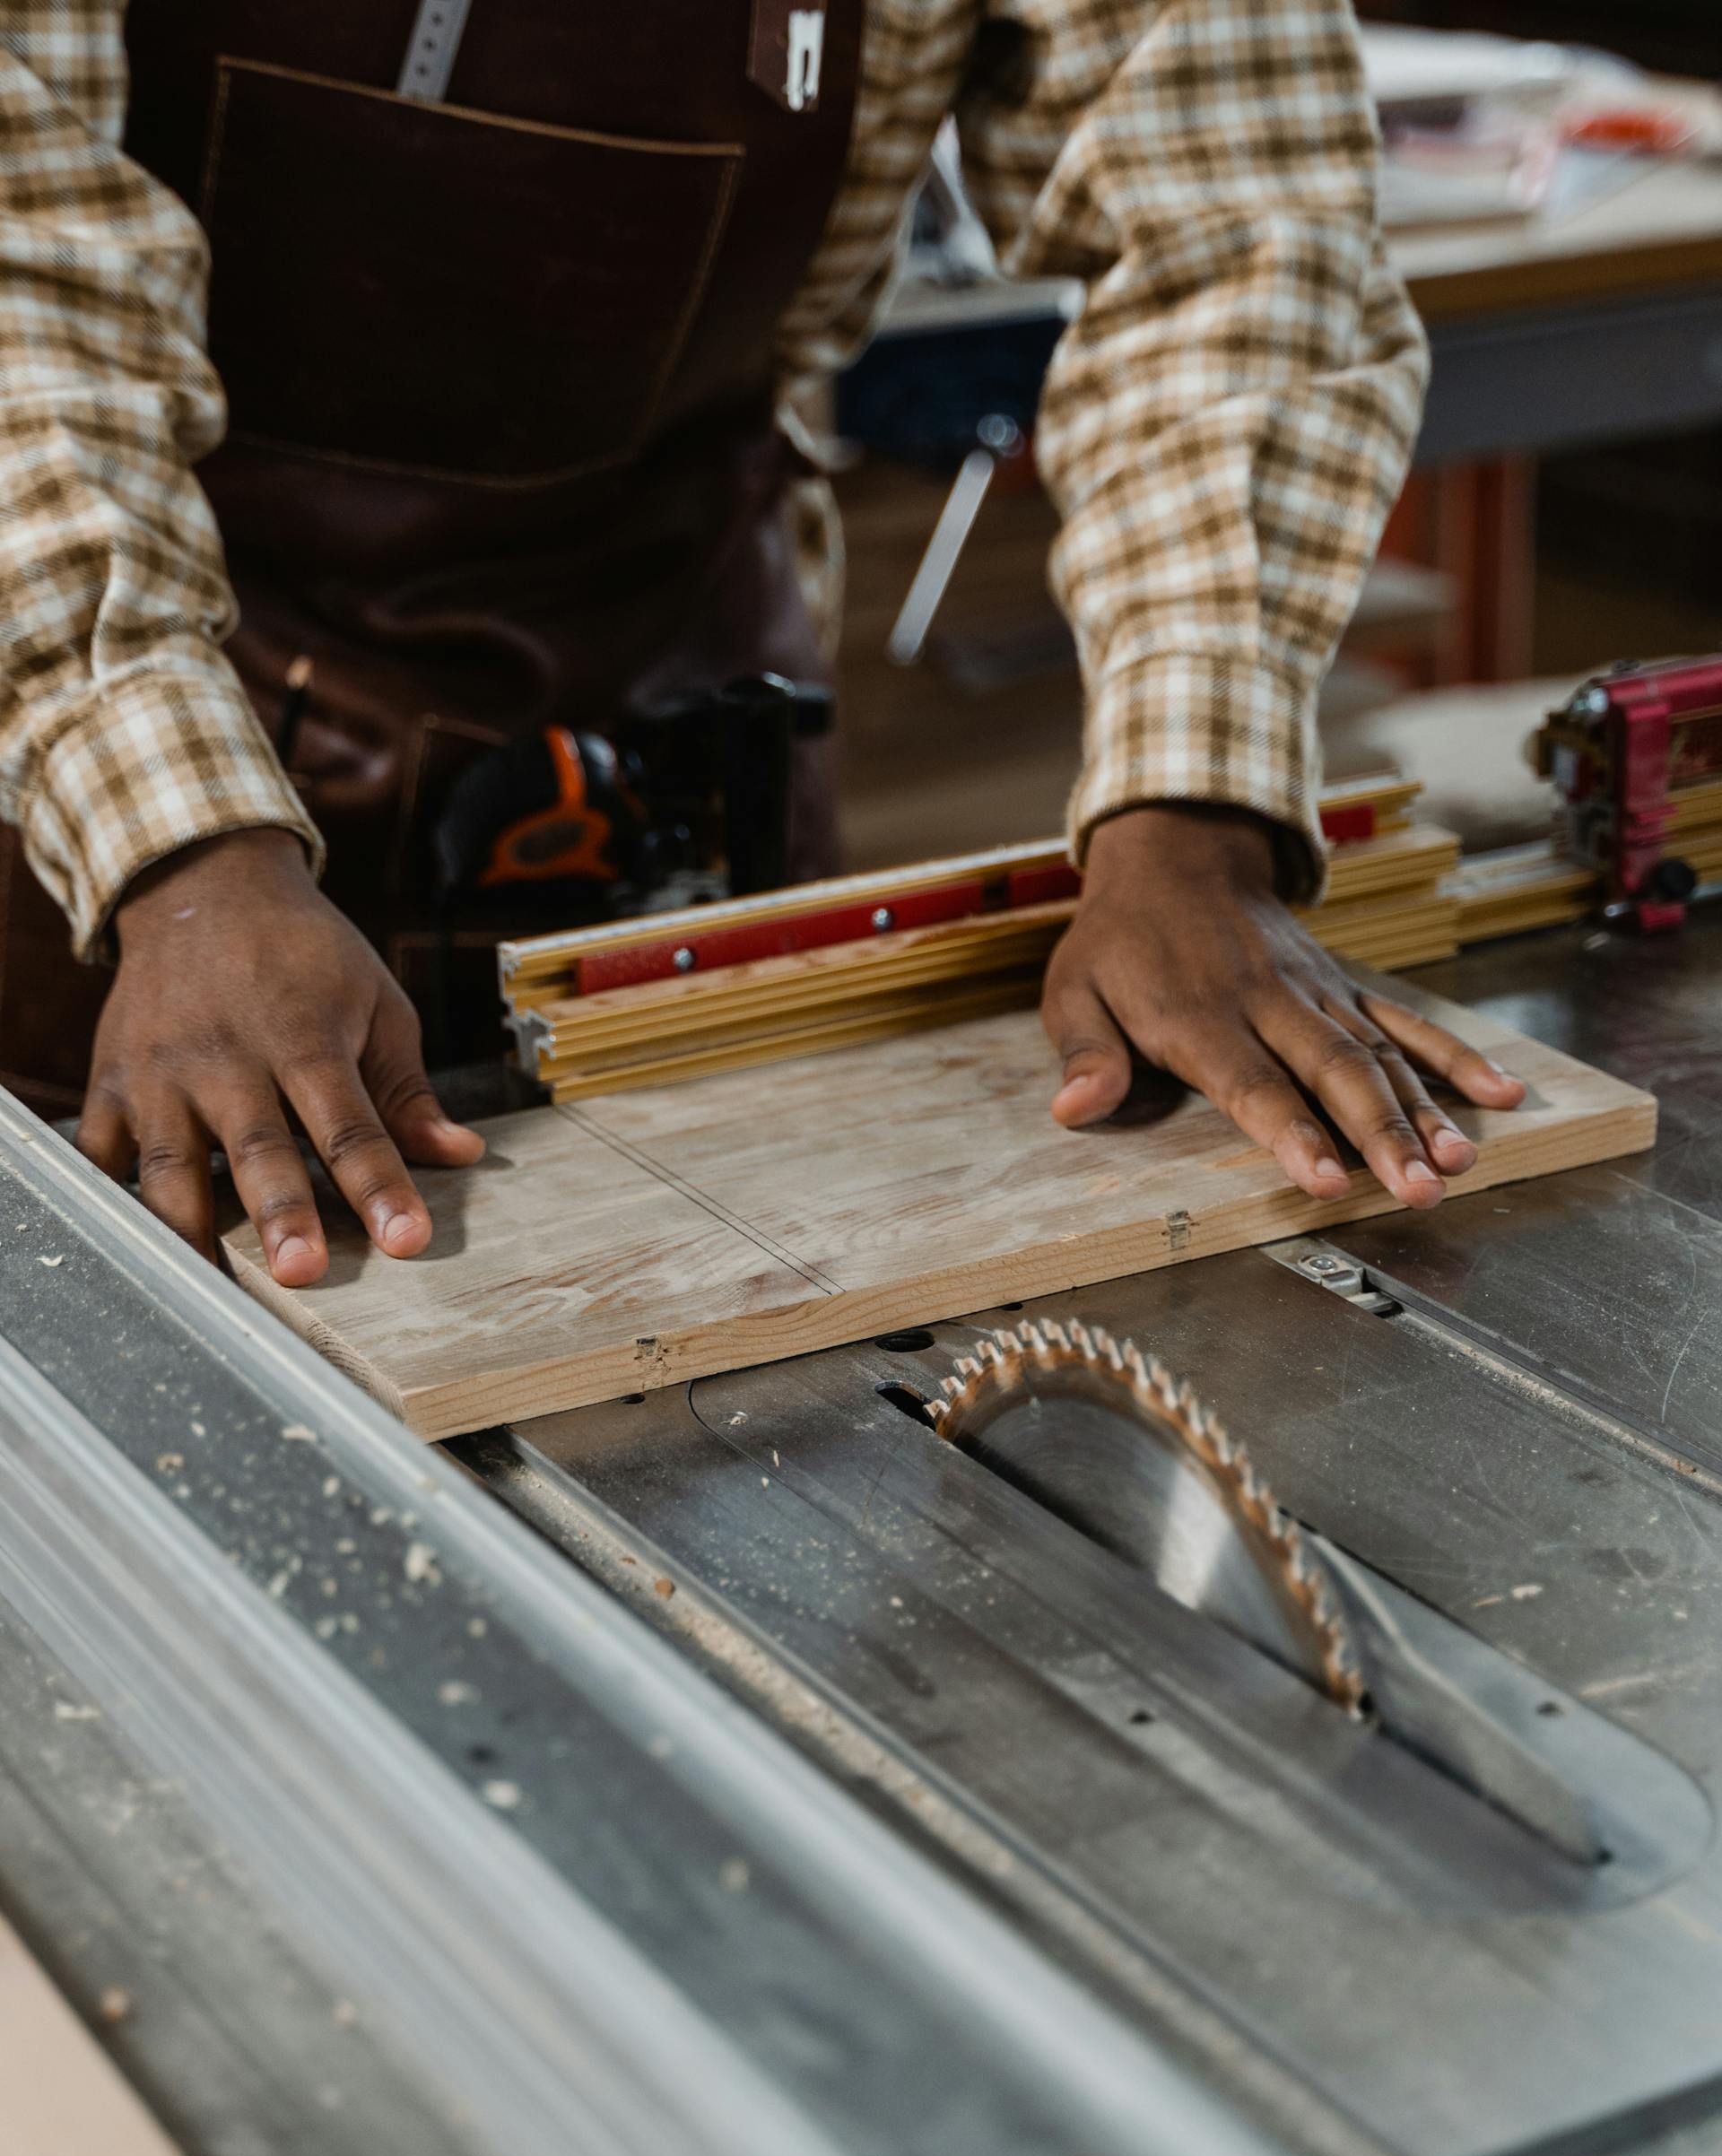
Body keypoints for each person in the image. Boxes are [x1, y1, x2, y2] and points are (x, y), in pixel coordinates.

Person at [0, 0, 1524, 1289]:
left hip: (676, 699)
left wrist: (1193, 811)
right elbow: (25, 302)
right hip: (113, 730)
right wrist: (179, 858)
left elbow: (1238, 246)